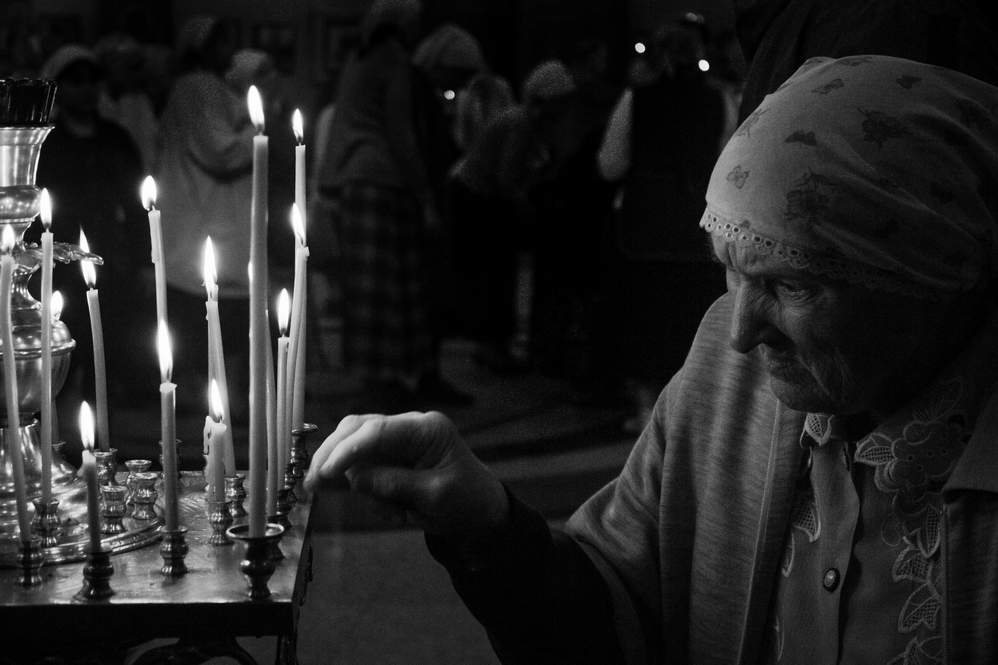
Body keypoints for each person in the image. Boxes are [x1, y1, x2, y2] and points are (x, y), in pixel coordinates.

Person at [306, 56, 998, 663]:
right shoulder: (727, 378)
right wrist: (488, 521)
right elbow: (616, 618)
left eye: (792, 284)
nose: (742, 334)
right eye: (732, 271)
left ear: (930, 277)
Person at [318, 0, 467, 412]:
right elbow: (401, 134)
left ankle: (378, 379)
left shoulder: (359, 60)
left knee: (369, 290)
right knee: (392, 289)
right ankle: (392, 381)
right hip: (384, 185)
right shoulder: (393, 63)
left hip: (356, 184)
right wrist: (425, 197)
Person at [595, 19, 727, 432]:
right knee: (688, 317)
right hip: (694, 226)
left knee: (643, 315)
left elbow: (610, 165)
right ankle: (688, 410)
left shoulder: (637, 100)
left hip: (644, 223)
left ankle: (645, 410)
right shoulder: (718, 101)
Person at [34, 44, 150, 413]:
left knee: (110, 343)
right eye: (75, 81)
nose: (86, 89)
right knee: (63, 345)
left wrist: (143, 257)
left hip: (111, 256)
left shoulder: (115, 137)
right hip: (58, 258)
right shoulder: (48, 141)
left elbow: (136, 203)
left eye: (91, 81)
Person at [155, 15, 252, 421]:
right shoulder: (197, 87)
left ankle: (221, 398)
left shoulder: (207, 87)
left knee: (217, 309)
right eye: (223, 41)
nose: (230, 50)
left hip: (213, 210)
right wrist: (260, 131)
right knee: (207, 309)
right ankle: (209, 400)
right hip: (205, 211)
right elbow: (220, 150)